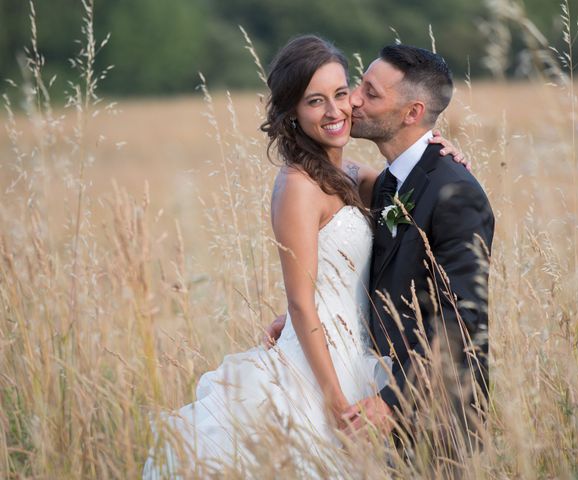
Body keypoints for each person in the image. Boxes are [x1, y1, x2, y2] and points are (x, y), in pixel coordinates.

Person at [143, 36, 465, 478]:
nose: (335, 111)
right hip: (318, 370)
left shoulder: (351, 174)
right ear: (293, 112)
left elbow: (410, 185)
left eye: (340, 93)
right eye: (315, 101)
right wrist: (334, 400)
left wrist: (437, 150)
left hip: (360, 354)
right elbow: (301, 301)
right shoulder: (297, 185)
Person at [268, 44, 494, 458]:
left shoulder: (450, 189)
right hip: (364, 381)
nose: (351, 102)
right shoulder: (385, 182)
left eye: (367, 93)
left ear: (412, 113)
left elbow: (461, 322)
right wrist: (310, 309)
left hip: (433, 408)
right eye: (319, 99)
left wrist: (394, 401)